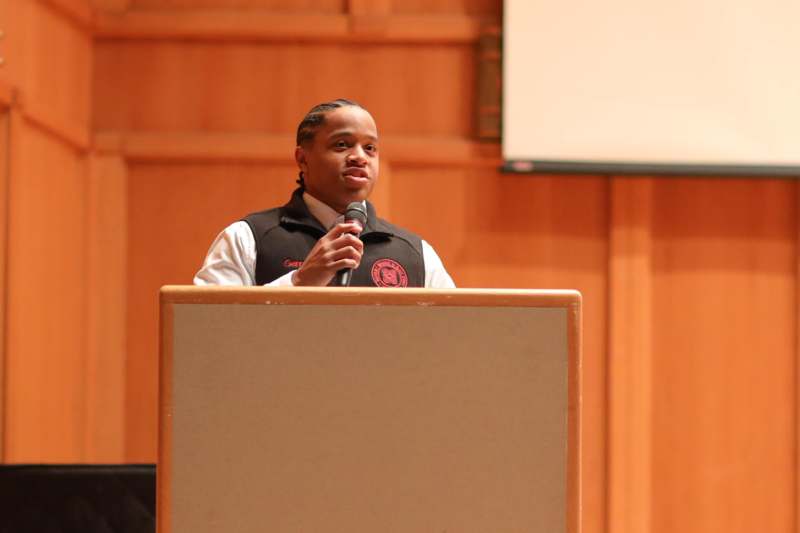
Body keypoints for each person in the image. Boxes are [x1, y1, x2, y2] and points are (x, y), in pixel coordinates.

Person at [194, 99, 455, 288]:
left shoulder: (415, 253)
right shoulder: (247, 238)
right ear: (302, 159)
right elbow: (208, 333)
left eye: (370, 148)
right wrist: (299, 282)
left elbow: (455, 338)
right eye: (342, 145)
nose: (359, 157)